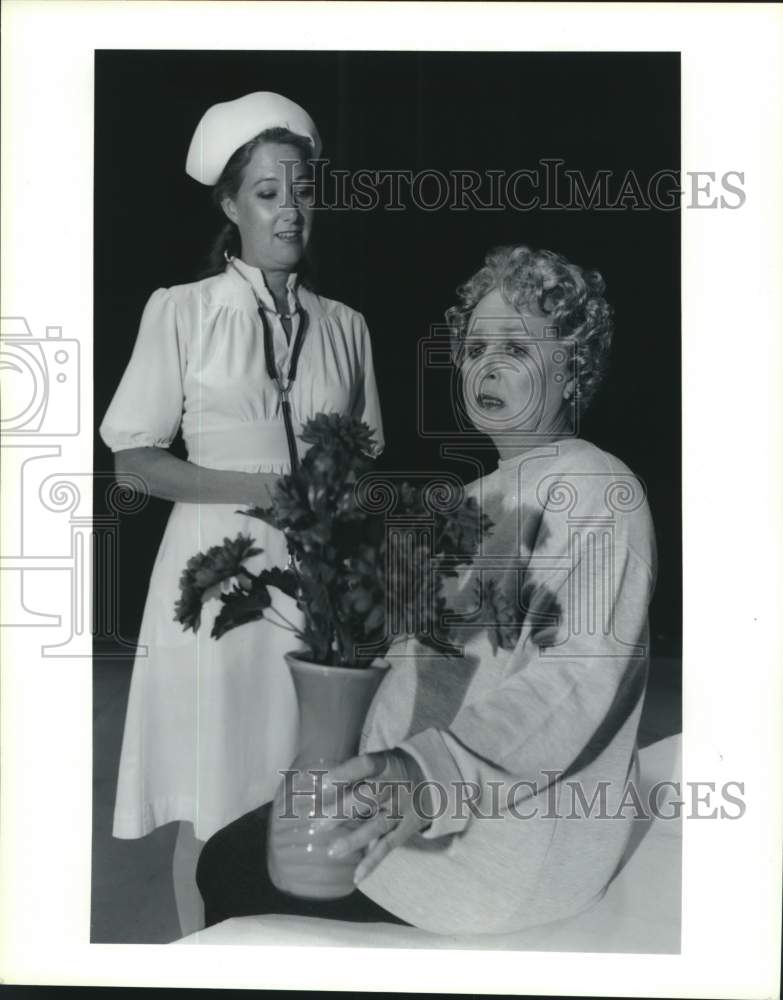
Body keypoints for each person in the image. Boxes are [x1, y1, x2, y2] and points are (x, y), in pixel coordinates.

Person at [196, 244, 657, 936]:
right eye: (474, 348)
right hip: (427, 804)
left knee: (230, 865)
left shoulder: (595, 485)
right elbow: (417, 677)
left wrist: (421, 773)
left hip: (501, 853)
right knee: (237, 850)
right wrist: (357, 763)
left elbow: (575, 675)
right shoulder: (468, 501)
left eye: (514, 348)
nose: (486, 365)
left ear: (573, 367)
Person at [99, 92, 384, 937]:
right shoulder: (179, 311)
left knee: (303, 793)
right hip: (212, 581)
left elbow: (364, 466)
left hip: (317, 588)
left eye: (300, 189)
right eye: (265, 192)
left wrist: (337, 508)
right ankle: (198, 956)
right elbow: (135, 459)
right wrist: (261, 493)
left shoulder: (348, 327)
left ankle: (285, 956)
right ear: (230, 205)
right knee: (212, 799)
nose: (288, 209)